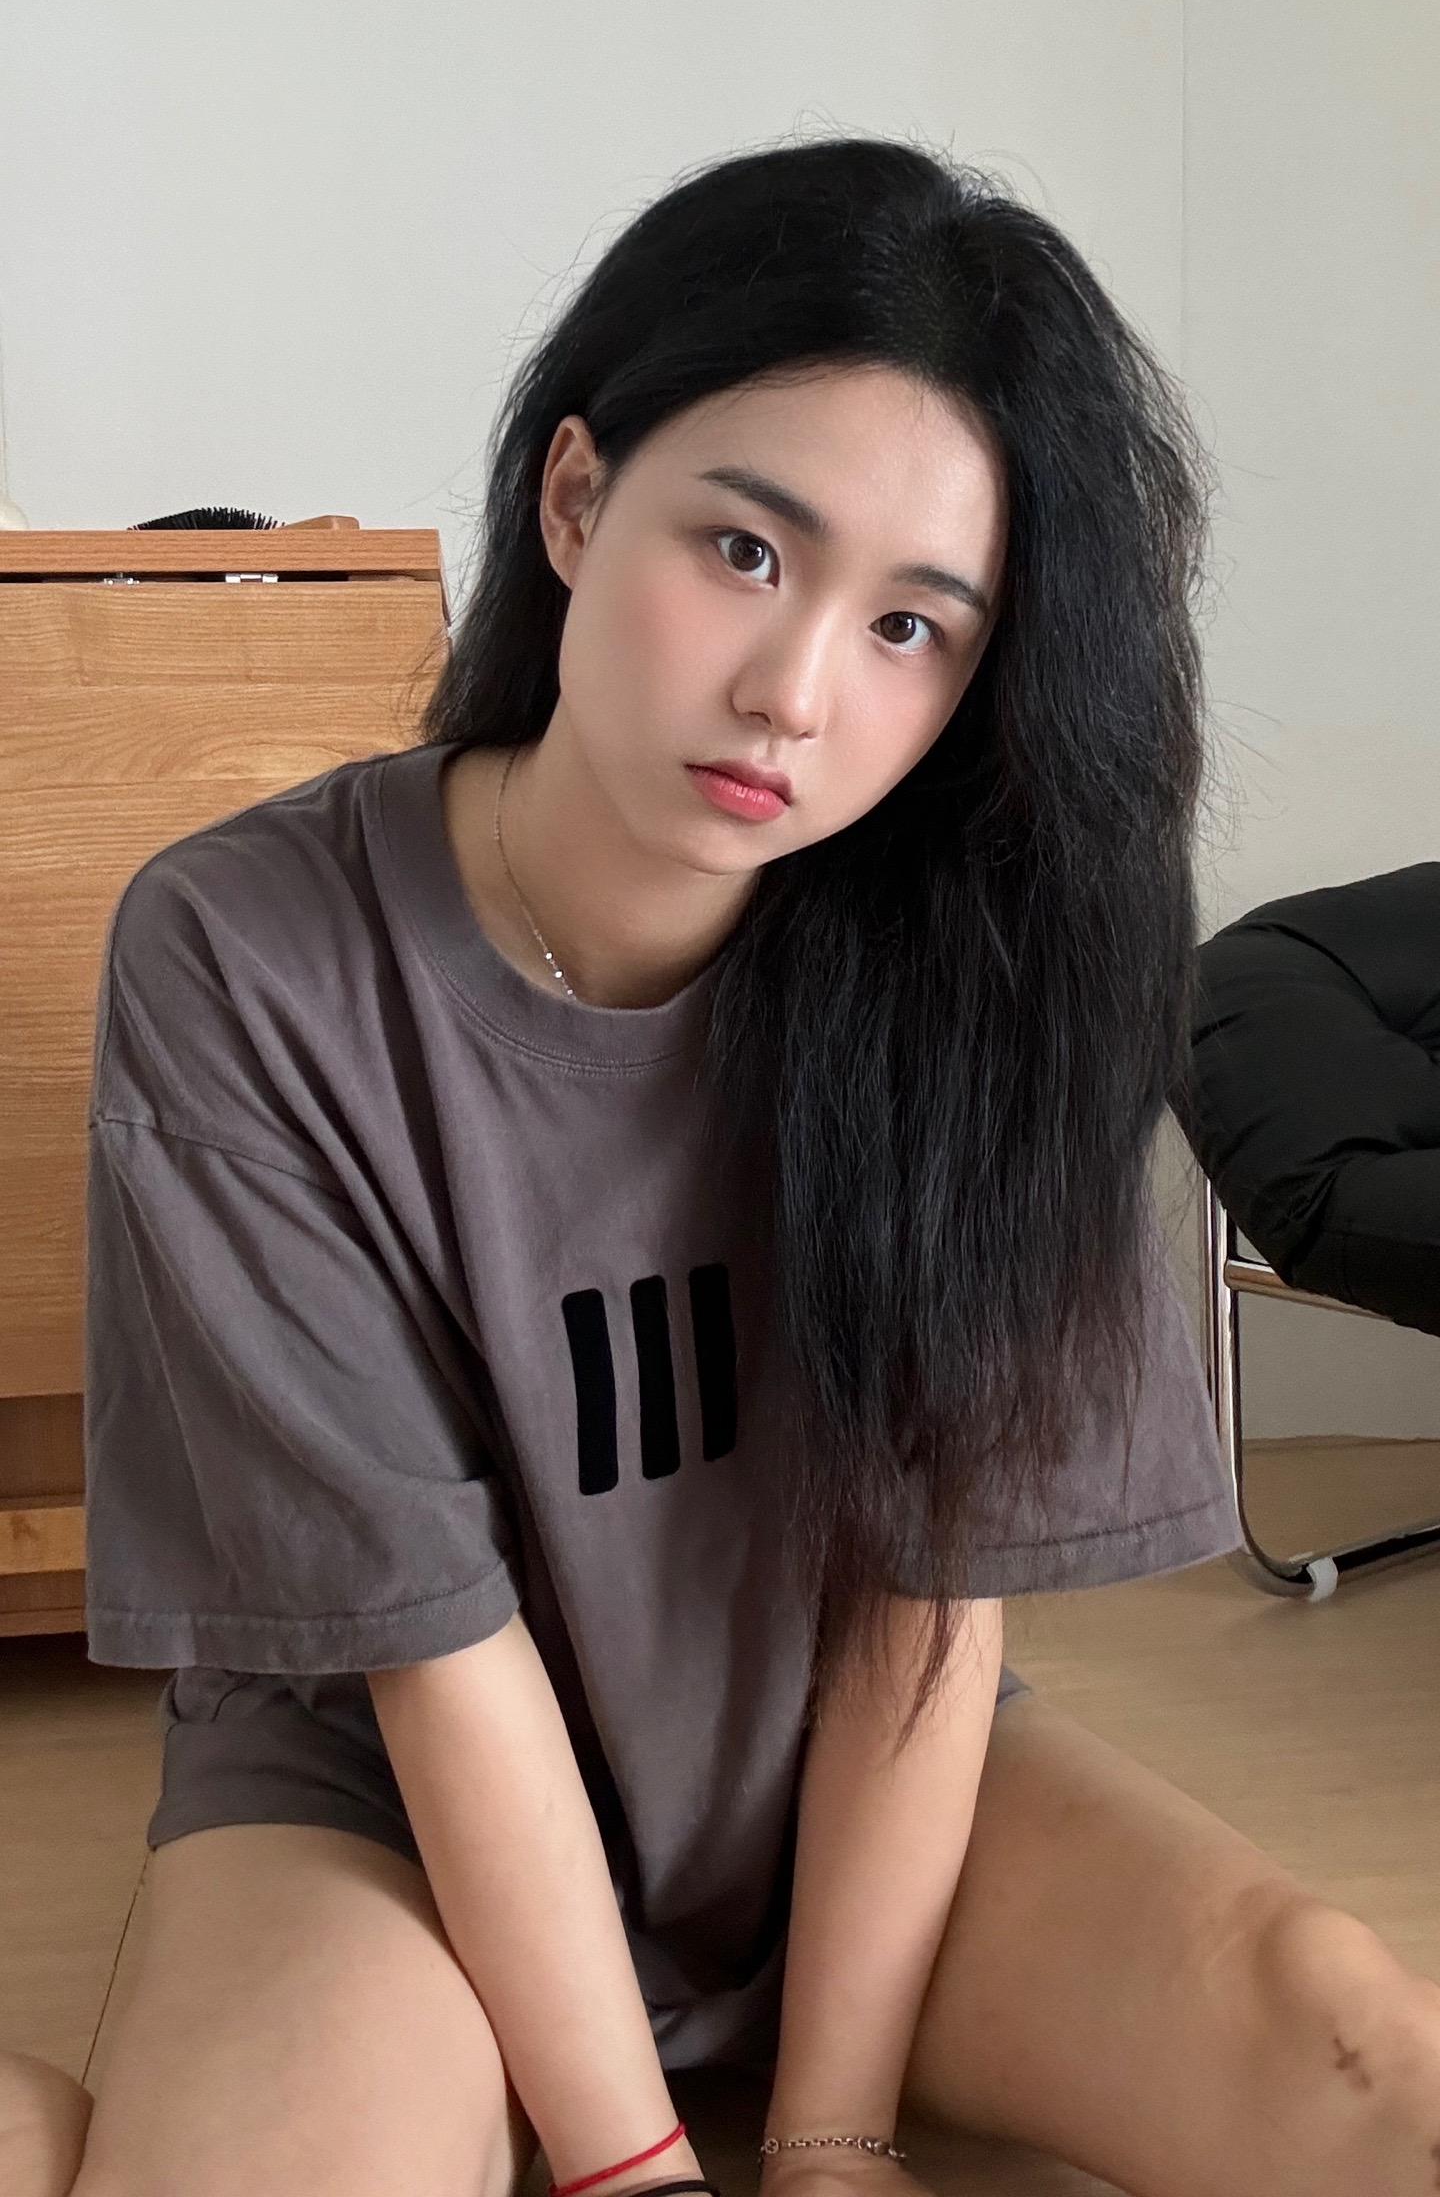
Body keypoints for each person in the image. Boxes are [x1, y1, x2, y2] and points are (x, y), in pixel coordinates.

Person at [8, 133, 1438, 2197]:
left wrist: (835, 2136)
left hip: (848, 1777)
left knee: (1353, 2042)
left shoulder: (998, 971)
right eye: (749, 551)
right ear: (577, 499)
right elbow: (429, 1646)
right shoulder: (250, 951)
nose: (794, 693)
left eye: (914, 626)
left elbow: (921, 1604)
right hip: (376, 1805)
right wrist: (639, 2168)